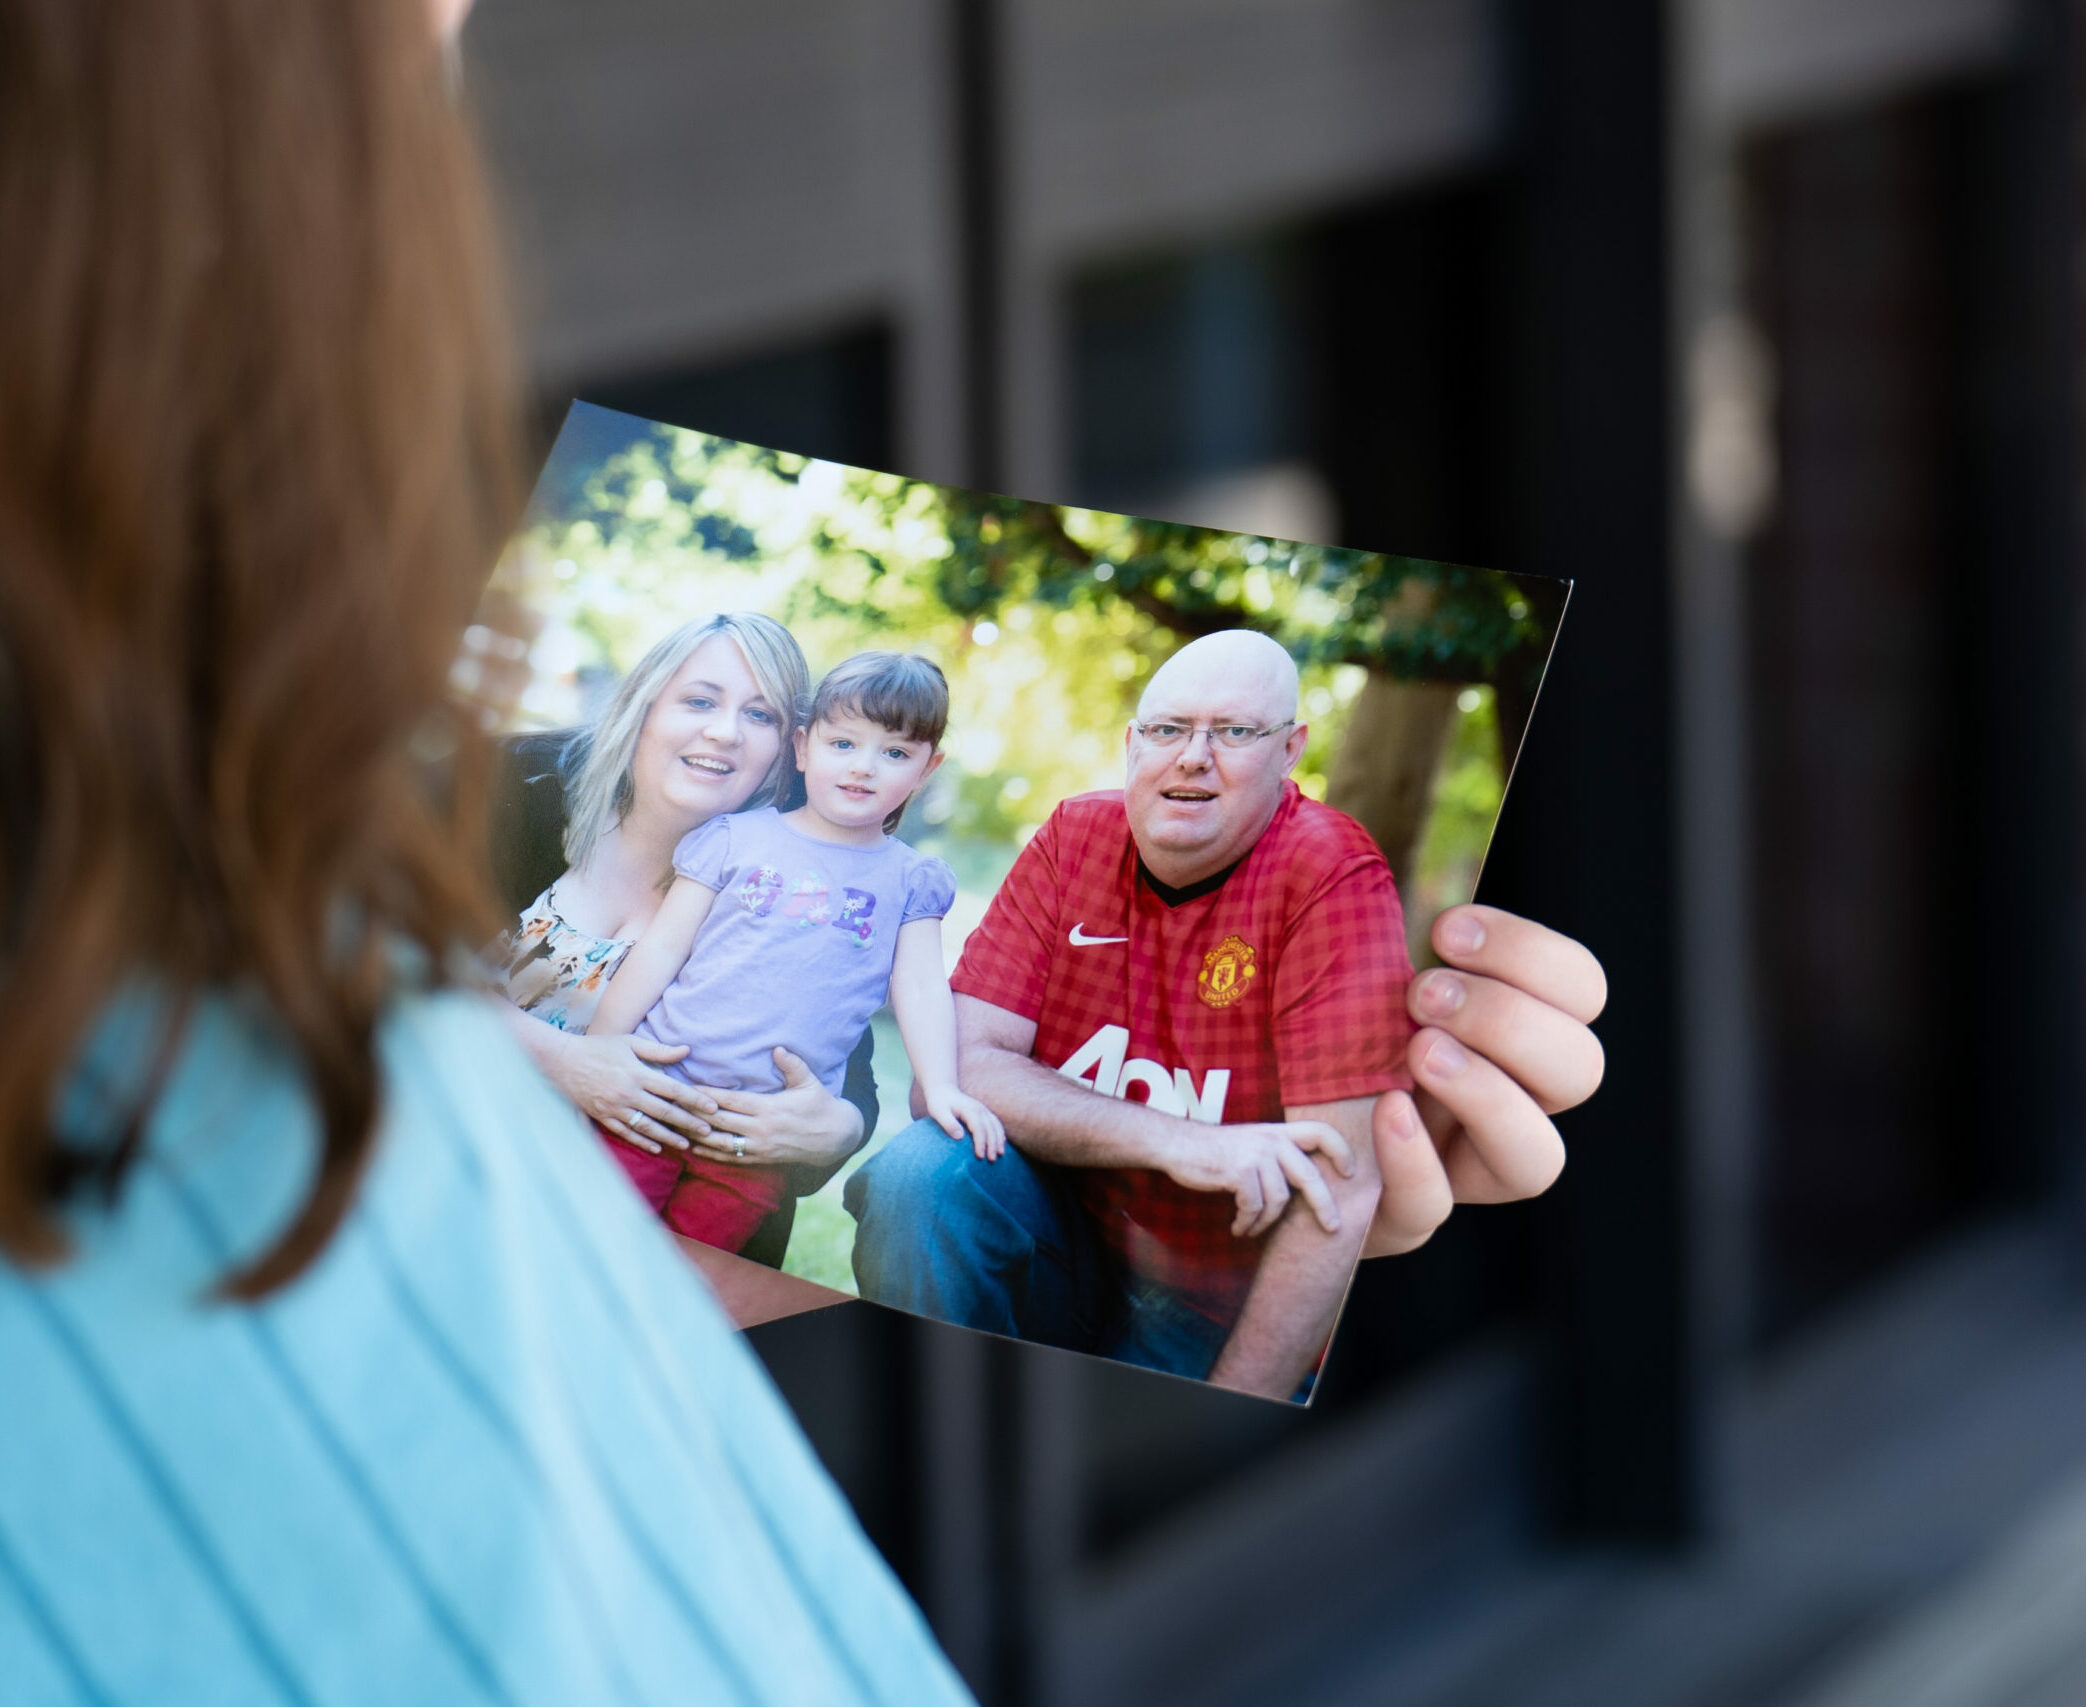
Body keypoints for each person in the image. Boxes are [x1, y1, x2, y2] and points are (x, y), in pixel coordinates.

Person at [0, 1, 972, 1700]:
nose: (731, 737)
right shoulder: (467, 789)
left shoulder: (765, 872)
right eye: (706, 696)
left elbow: (471, 1282)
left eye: (774, 719)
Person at [848, 630, 1596, 1402]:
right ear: (1132, 744)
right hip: (1063, 1235)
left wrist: (1247, 1410)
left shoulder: (1329, 871)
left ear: (1290, 749)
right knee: (920, 1175)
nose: (1193, 755)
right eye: (1169, 729)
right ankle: (925, 1429)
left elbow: (1339, 1186)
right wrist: (1185, 1143)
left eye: (1234, 732)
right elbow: (955, 1075)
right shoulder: (1075, 835)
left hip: (1212, 1295)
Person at [589, 652, 1004, 1252]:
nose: (864, 768)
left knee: (696, 1280)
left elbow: (920, 989)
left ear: (926, 770)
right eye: (844, 744)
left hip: (763, 1137)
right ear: (804, 747)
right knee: (596, 1246)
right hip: (656, 1092)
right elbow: (661, 951)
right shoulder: (735, 838)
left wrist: (940, 1087)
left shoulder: (912, 880)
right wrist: (602, 1047)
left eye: (894, 754)